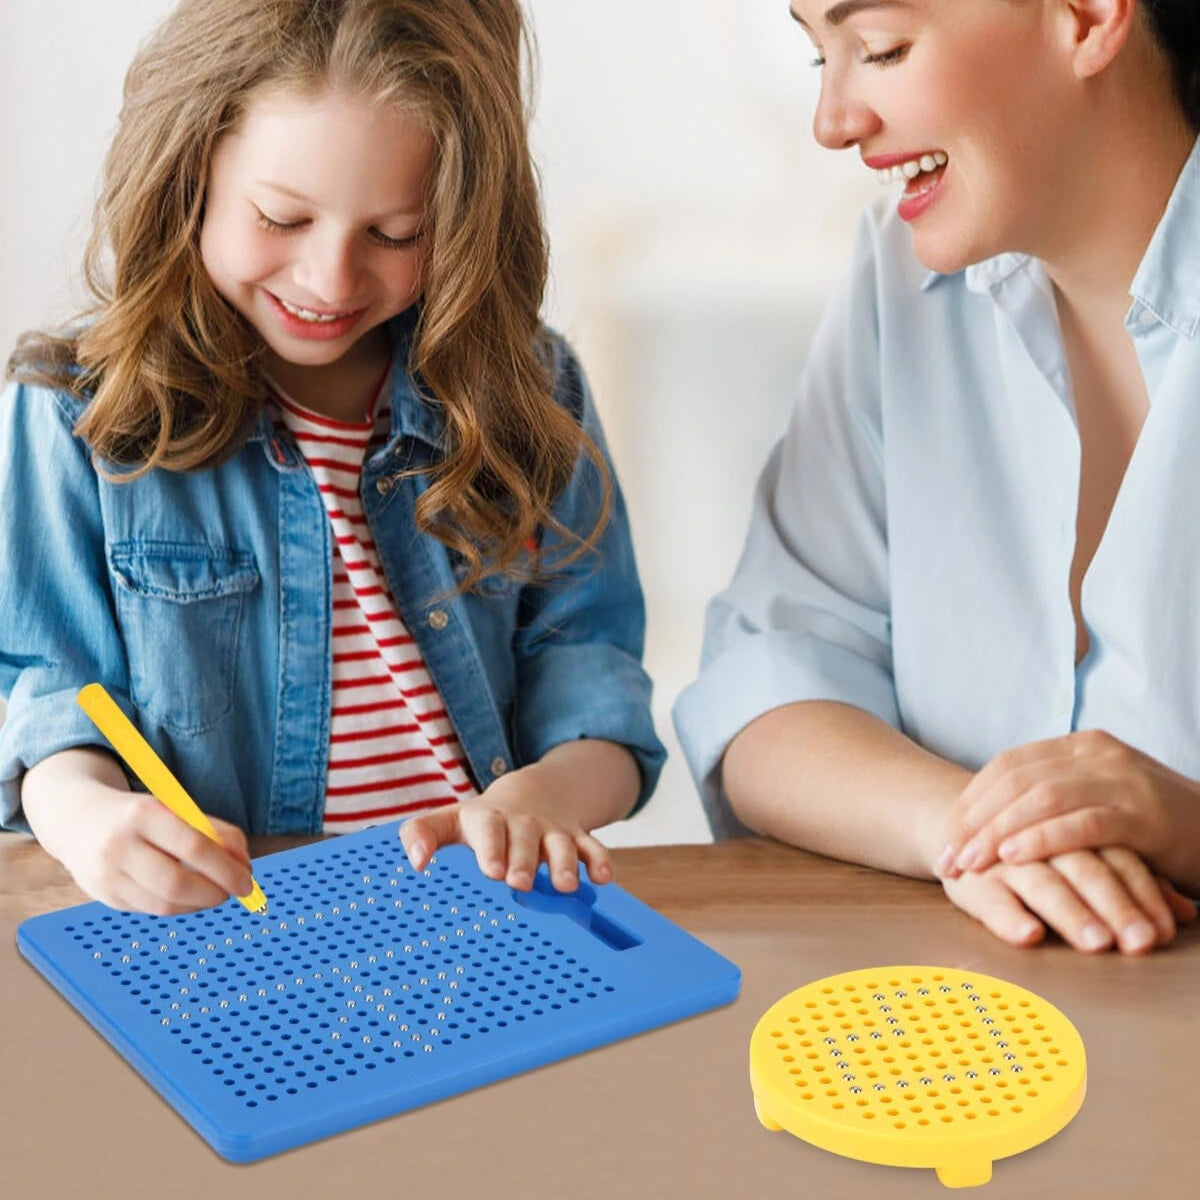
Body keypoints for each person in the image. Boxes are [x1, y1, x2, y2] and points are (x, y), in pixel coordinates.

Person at [0, 0, 664, 917]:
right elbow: (44, 688)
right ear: (187, 173)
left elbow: (593, 669)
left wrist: (547, 799)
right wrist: (82, 816)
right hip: (221, 938)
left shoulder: (531, 389)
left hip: (479, 915)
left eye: (396, 235)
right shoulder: (79, 410)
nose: (330, 281)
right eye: (281, 218)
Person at [675, 0, 1200, 955]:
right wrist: (975, 827)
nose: (833, 121)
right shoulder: (899, 280)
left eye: (879, 48)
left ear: (1086, 18)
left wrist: (1188, 828)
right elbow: (767, 682)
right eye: (816, 59)